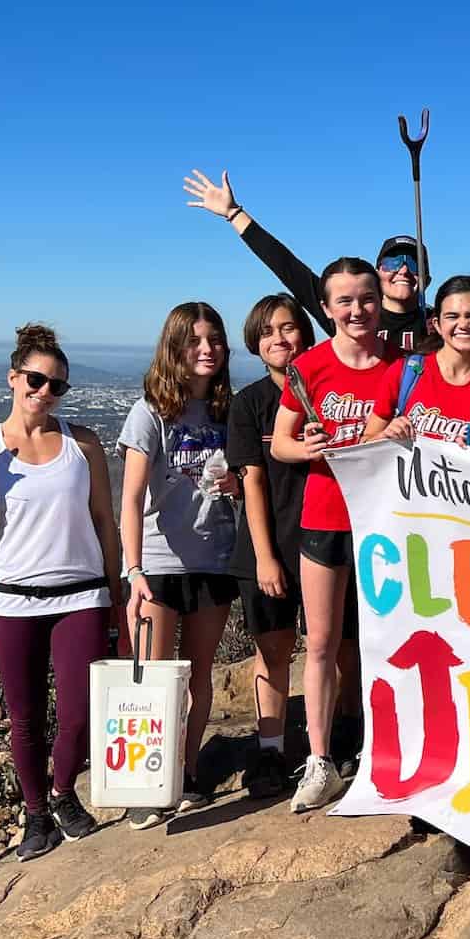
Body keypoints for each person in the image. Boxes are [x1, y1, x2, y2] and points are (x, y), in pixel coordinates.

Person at [0, 324, 117, 860]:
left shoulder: (83, 444)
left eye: (57, 384)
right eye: (35, 379)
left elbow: (104, 520)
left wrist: (119, 591)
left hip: (82, 593)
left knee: (80, 711)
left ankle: (63, 793)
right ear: (13, 378)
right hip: (13, 599)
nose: (45, 391)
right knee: (26, 716)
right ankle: (36, 813)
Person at [272, 257, 399, 812]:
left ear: (381, 301)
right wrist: (308, 449)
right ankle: (320, 759)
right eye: (344, 301)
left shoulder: (404, 364)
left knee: (388, 640)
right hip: (325, 515)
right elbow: (280, 442)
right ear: (326, 309)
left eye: (366, 298)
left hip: (387, 518)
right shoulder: (310, 366)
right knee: (321, 642)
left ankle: (389, 750)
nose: (357, 309)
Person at [119, 303, 240, 829]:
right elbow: (129, 498)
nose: (207, 349)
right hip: (160, 562)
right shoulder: (150, 412)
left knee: (199, 676)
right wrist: (133, 570)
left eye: (214, 339)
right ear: (174, 349)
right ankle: (147, 786)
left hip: (213, 558)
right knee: (152, 681)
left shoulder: (225, 411)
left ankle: (188, 774)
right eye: (194, 341)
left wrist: (234, 485)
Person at [183, 169, 431, 349]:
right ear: (376, 275)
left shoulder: (439, 322)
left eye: (413, 263)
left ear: (427, 279)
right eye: (392, 263)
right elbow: (285, 265)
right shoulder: (349, 313)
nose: (403, 271)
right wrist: (234, 213)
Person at [227, 294, 313, 799]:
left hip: (327, 541)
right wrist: (264, 557)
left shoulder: (329, 392)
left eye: (288, 328)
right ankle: (270, 751)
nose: (279, 340)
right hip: (269, 546)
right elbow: (252, 481)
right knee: (274, 649)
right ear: (256, 345)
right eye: (267, 333)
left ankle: (339, 741)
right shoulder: (250, 402)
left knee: (336, 648)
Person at [364, 276, 470, 447]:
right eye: (452, 316)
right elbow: (365, 443)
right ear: (437, 324)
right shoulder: (405, 372)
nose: (463, 324)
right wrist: (386, 436)